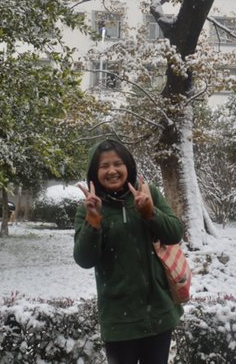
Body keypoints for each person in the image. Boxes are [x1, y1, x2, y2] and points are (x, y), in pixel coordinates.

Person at [74, 139, 184, 364]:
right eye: (104, 166)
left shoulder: (148, 193)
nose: (112, 171)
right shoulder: (89, 207)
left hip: (158, 314)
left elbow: (175, 234)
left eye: (118, 164)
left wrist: (150, 212)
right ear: (94, 173)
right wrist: (93, 220)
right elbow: (84, 259)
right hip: (118, 321)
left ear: (128, 166)